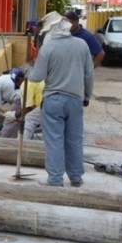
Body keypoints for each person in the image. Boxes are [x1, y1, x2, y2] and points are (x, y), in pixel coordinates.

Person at [29, 11, 94, 187]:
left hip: (53, 100)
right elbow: (89, 74)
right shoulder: (82, 45)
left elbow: (36, 77)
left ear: (49, 30)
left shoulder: (48, 48)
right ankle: (76, 177)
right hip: (75, 100)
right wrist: (87, 96)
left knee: (54, 140)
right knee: (74, 139)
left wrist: (29, 69)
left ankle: (56, 178)